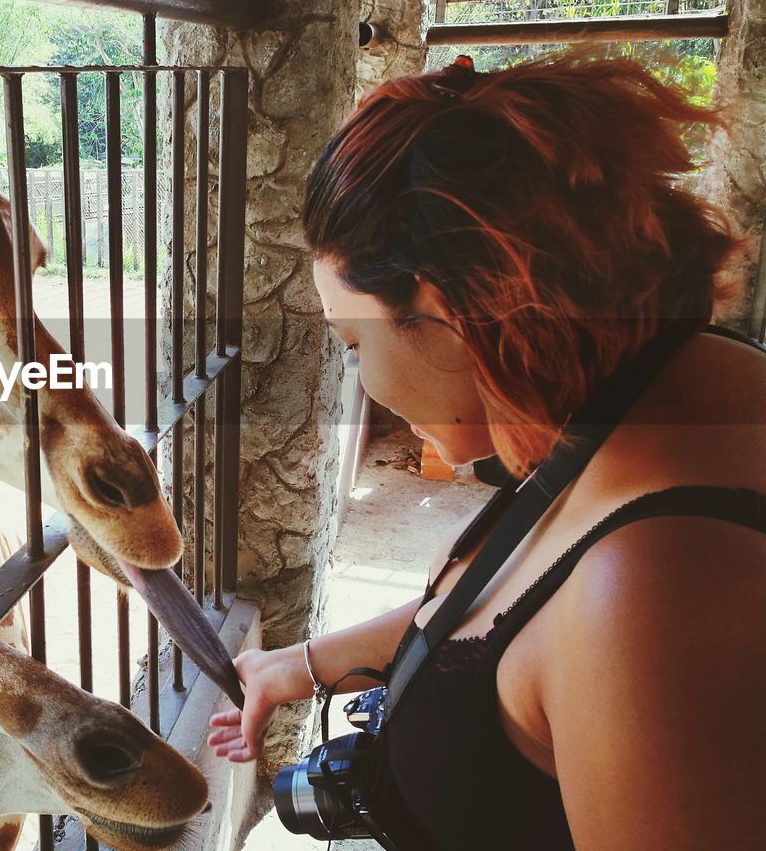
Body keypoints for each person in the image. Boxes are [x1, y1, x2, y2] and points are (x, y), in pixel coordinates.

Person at [209, 53, 766, 850]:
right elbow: (511, 608)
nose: (361, 378)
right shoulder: (661, 389)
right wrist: (298, 664)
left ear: (442, 312)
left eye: (351, 342)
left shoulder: (652, 589)